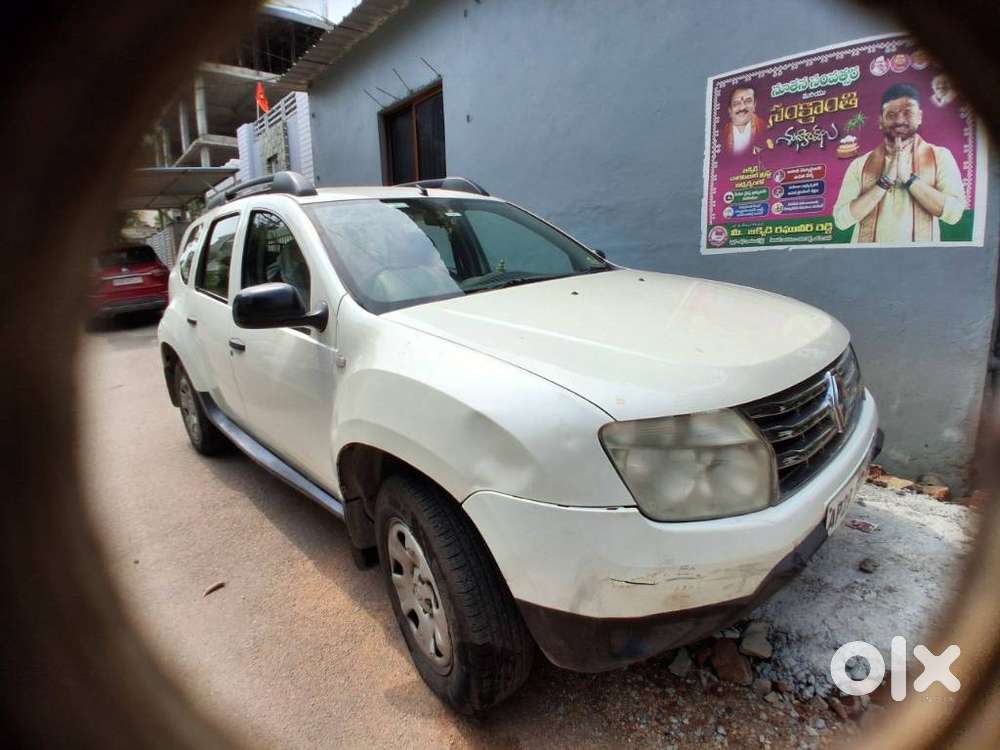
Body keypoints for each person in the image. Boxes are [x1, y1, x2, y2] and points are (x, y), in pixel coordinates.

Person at [833, 83, 965, 243]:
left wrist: (909, 179)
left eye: (907, 113)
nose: (899, 120)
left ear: (920, 117)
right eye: (891, 115)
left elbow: (955, 214)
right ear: (880, 121)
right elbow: (841, 221)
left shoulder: (941, 156)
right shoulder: (859, 164)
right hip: (867, 260)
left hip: (921, 262)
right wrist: (884, 182)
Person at [722, 85, 764, 155]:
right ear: (730, 110)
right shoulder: (723, 135)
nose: (742, 107)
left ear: (754, 105)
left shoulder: (763, 127)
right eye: (736, 103)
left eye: (748, 101)